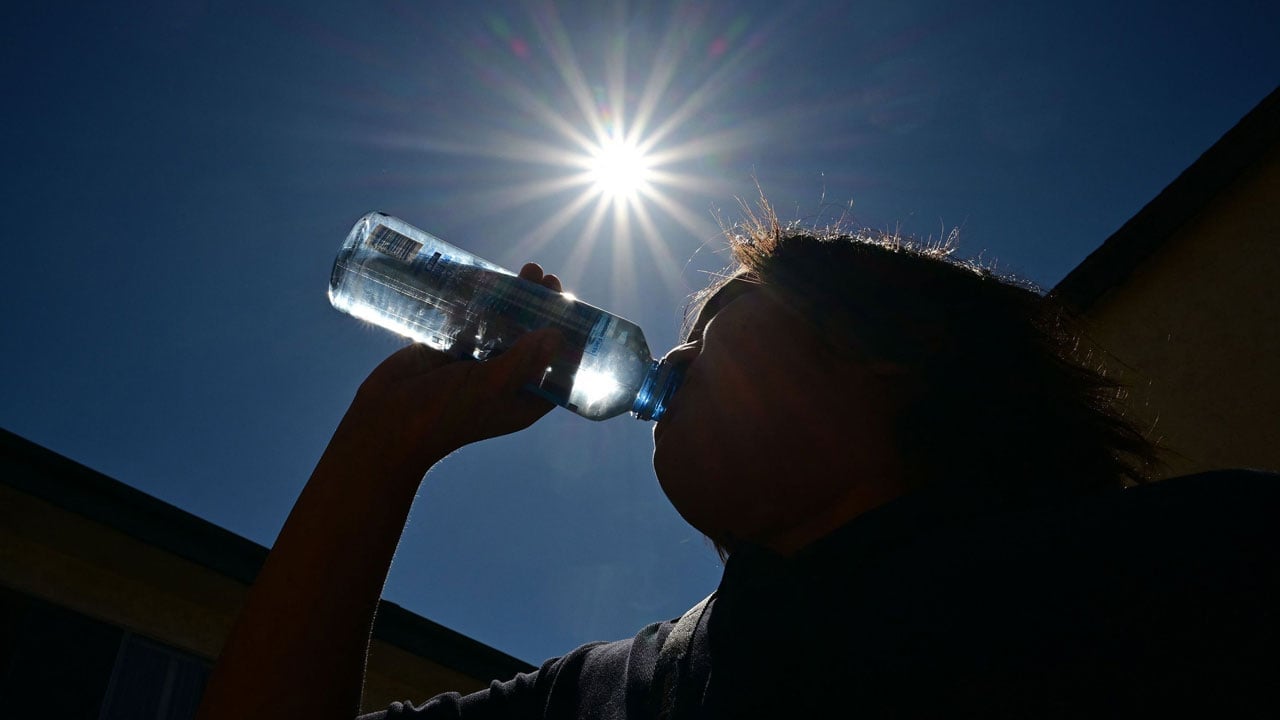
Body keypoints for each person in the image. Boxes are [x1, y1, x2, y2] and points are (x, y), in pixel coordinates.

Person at [197, 201, 1277, 719]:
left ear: (888, 354)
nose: (669, 354)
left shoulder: (1193, 569)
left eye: (717, 323)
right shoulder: (612, 692)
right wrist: (380, 445)